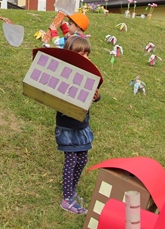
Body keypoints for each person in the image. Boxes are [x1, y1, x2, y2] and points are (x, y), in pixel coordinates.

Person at [56, 36, 100, 215]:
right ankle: (67, 199)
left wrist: (96, 97)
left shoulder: (89, 76)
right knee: (71, 160)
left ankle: (72, 191)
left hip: (82, 126)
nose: (86, 58)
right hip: (67, 126)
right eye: (81, 54)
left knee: (82, 159)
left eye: (87, 55)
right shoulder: (63, 75)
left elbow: (93, 94)